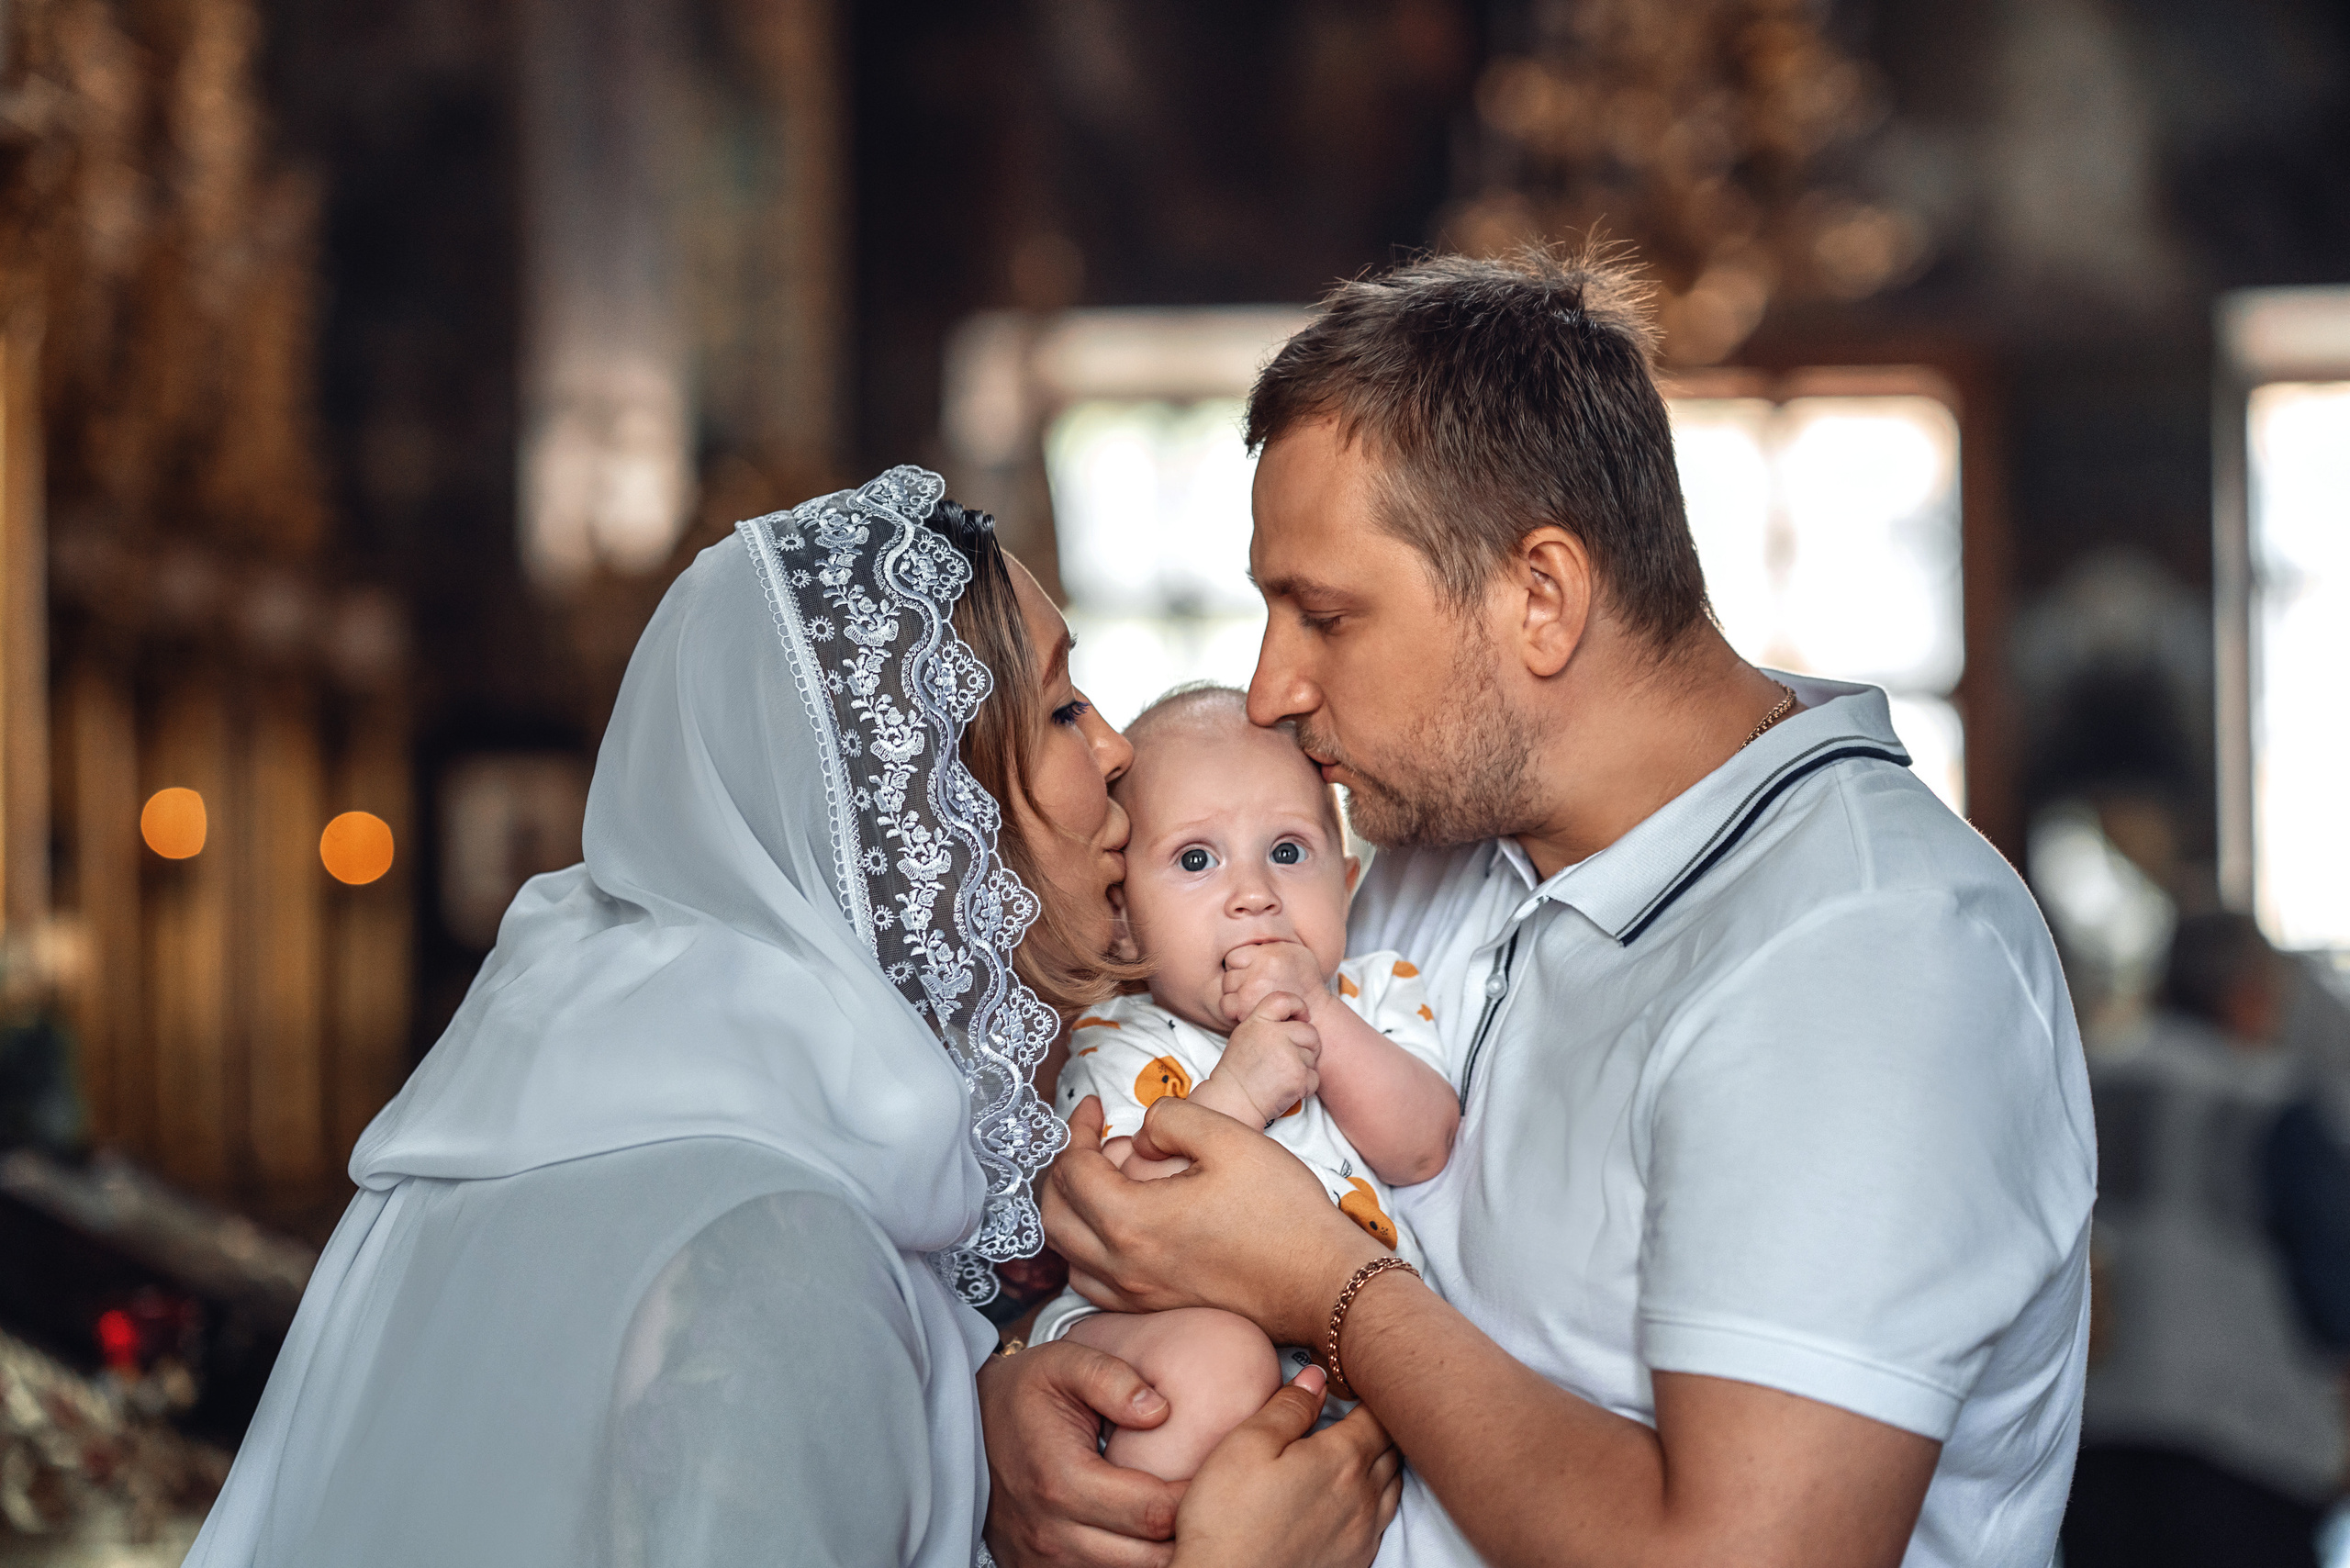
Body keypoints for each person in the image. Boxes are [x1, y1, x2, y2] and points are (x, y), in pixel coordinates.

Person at [1002, 251, 2098, 1568]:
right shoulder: (1422, 835)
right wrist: (1021, 1417)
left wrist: (1332, 1290)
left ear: (1540, 597)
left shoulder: (1867, 952)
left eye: (1324, 615)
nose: (1270, 687)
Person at [182, 467, 1399, 1568]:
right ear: (940, 806)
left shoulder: (699, 1127)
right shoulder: (771, 1254)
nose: (1125, 753)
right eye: (1070, 708)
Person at [1031, 685, 1459, 1481]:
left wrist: (1318, 1015)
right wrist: (1240, 1090)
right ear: (1124, 915)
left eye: (1289, 852)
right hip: (1146, 1340)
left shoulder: (1373, 994)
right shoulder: (1121, 1034)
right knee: (1220, 1360)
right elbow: (1119, 1223)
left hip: (1333, 1366)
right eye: (1197, 860)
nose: (1255, 892)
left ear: (1349, 885)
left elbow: (1422, 1146)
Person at [2065, 911, 2350, 1568]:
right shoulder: (2272, 1100)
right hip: (2243, 1444)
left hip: (2094, 1438)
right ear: (2247, 992)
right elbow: (2333, 1294)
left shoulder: (2085, 1076)